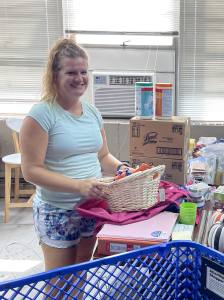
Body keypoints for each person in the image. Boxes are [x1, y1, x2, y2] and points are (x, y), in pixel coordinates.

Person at [20, 38, 129, 273]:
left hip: (91, 206)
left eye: (83, 71)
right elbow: (31, 170)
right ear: (54, 75)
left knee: (80, 275)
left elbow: (103, 156)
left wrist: (123, 169)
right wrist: (79, 186)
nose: (80, 78)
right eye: (71, 72)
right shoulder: (41, 115)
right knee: (60, 285)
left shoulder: (92, 112)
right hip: (57, 211)